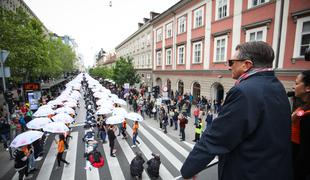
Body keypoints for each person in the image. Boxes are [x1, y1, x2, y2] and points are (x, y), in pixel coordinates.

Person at [181, 41, 293, 180]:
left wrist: (189, 169)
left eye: (231, 62)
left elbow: (218, 136)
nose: (229, 67)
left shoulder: (244, 91)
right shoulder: (276, 85)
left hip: (248, 172)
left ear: (246, 65)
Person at [291, 70, 310, 180]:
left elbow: (305, 152)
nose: (294, 87)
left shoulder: (308, 117)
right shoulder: (303, 107)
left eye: (297, 84)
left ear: (307, 88)